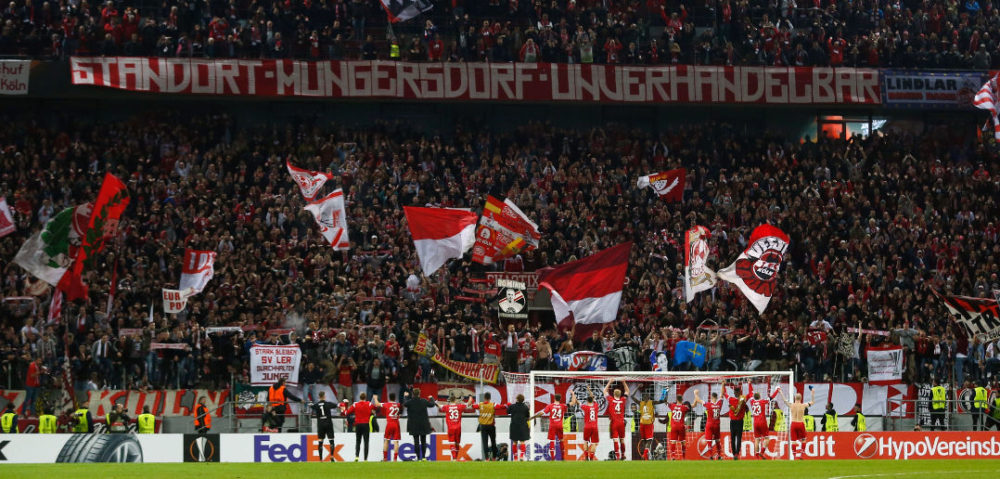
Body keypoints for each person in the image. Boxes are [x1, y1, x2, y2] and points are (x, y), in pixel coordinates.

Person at [779, 386, 815, 460]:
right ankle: (801, 455)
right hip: (801, 423)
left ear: (795, 398)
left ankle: (795, 456)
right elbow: (812, 402)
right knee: (804, 439)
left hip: (794, 423)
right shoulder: (803, 405)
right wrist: (812, 392)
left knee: (794, 441)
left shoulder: (791, 405)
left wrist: (780, 392)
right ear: (801, 398)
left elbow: (785, 401)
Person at [747, 385, 781, 459]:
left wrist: (749, 384)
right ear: (759, 396)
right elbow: (772, 397)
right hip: (762, 422)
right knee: (766, 438)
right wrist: (777, 390)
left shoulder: (752, 401)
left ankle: (757, 457)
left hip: (755, 422)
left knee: (757, 439)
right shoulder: (762, 401)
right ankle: (762, 452)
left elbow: (750, 393)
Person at [530, 393, 567, 460]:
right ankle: (563, 458)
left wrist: (533, 417)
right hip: (560, 425)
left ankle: (552, 458)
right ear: (560, 399)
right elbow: (572, 403)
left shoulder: (550, 406)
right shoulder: (563, 406)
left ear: (554, 398)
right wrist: (573, 394)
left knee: (552, 441)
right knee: (561, 440)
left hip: (552, 425)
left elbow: (542, 413)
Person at [636, 387, 669, 460]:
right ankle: (644, 455)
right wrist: (666, 392)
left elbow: (632, 397)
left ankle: (646, 457)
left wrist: (638, 387)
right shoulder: (651, 402)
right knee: (649, 441)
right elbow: (663, 401)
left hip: (642, 424)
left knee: (645, 441)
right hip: (649, 424)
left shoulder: (641, 403)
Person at [436, 394, 470, 461]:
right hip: (458, 428)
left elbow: (439, 406)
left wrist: (435, 402)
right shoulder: (460, 406)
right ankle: (456, 458)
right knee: (457, 444)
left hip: (451, 428)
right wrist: (470, 397)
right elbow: (469, 403)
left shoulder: (447, 407)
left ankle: (454, 458)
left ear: (449, 400)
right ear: (455, 400)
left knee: (452, 443)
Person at [341, 392, 374, 461]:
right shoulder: (369, 404)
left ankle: (357, 456)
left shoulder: (355, 404)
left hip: (358, 425)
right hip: (366, 424)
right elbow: (376, 408)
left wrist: (345, 405)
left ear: (359, 397)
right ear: (365, 397)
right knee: (366, 442)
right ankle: (365, 459)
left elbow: (346, 413)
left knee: (358, 441)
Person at [668, 389, 699, 460]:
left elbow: (665, 402)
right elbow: (694, 405)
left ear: (676, 399)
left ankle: (673, 457)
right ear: (682, 400)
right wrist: (696, 395)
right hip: (681, 426)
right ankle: (684, 457)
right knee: (683, 442)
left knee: (673, 441)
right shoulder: (684, 407)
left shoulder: (672, 406)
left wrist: (666, 391)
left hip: (673, 426)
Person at [402, 391, 434, 461]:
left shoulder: (410, 402)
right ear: (419, 394)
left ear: (412, 394)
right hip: (423, 424)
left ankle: (418, 458)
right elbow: (432, 404)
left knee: (416, 442)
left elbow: (404, 403)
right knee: (423, 441)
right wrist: (431, 398)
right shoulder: (424, 401)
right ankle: (424, 457)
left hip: (414, 425)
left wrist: (405, 396)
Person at [723, 381, 750, 460]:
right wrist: (749, 383)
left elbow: (724, 393)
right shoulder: (743, 399)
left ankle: (734, 453)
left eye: (735, 392)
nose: (734, 393)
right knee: (738, 438)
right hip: (740, 422)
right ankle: (736, 454)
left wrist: (723, 385)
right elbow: (750, 394)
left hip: (733, 422)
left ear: (735, 392)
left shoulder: (730, 399)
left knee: (733, 438)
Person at [603, 379, 629, 460]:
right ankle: (623, 455)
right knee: (622, 439)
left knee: (615, 440)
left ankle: (617, 456)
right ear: (620, 394)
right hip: (621, 422)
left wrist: (610, 382)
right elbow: (627, 391)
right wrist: (624, 382)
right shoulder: (623, 400)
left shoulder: (610, 399)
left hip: (614, 422)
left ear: (613, 393)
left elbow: (604, 391)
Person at [470, 392, 499, 461]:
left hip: (483, 426)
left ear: (484, 398)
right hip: (491, 426)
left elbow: (473, 406)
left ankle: (487, 458)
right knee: (493, 442)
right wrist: (508, 404)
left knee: (485, 443)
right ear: (490, 398)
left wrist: (472, 400)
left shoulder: (480, 404)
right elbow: (502, 407)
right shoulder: (493, 405)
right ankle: (494, 458)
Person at [373, 393, 402, 461]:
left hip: (389, 423)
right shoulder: (398, 405)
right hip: (396, 424)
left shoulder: (387, 404)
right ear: (395, 398)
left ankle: (385, 458)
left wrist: (375, 398)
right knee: (396, 442)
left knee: (386, 440)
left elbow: (377, 404)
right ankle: (395, 459)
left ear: (389, 398)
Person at [571, 392, 599, 461]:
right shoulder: (596, 406)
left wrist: (573, 394)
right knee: (594, 443)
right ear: (592, 400)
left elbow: (577, 402)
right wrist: (590, 391)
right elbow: (593, 397)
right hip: (594, 427)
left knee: (585, 441)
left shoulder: (585, 407)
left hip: (587, 427)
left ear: (587, 401)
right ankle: (591, 458)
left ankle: (586, 457)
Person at [312, 391, 338, 461]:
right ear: (324, 396)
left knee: (320, 441)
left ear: (319, 397)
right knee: (331, 441)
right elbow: (336, 405)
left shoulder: (316, 405)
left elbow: (312, 406)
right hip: (328, 423)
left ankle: (320, 459)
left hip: (320, 424)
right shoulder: (328, 404)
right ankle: (332, 456)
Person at [507, 394, 531, 461]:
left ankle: (515, 457)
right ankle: (521, 456)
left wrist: (508, 405)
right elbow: (527, 416)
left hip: (514, 425)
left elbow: (508, 412)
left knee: (514, 442)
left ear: (517, 399)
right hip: (523, 426)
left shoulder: (512, 406)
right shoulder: (526, 407)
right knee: (522, 442)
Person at [703, 391, 724, 460]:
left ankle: (710, 456)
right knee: (717, 440)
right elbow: (722, 395)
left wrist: (695, 394)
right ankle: (719, 456)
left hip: (709, 424)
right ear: (716, 397)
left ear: (711, 397)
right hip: (717, 425)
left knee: (709, 441)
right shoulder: (719, 404)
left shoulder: (708, 404)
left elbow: (699, 400)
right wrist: (723, 384)